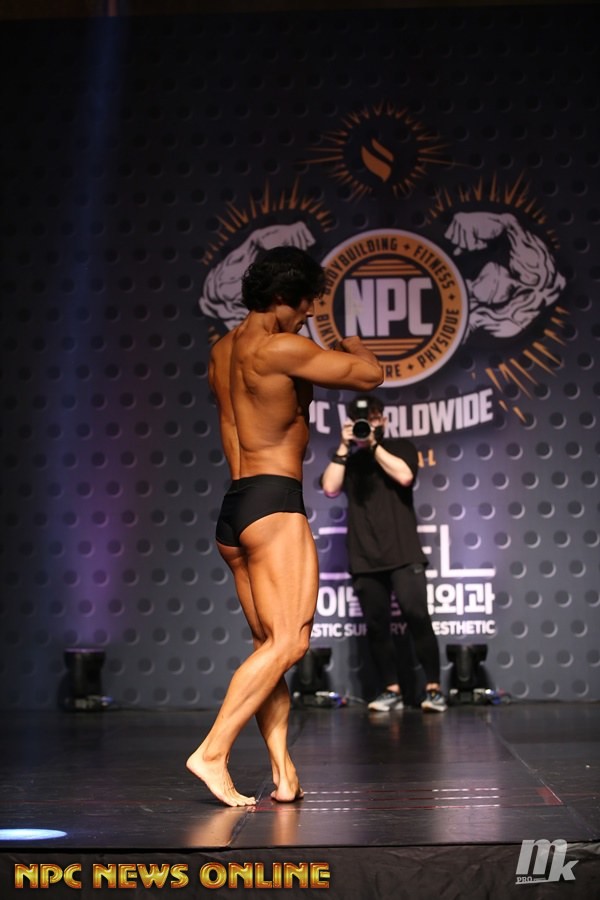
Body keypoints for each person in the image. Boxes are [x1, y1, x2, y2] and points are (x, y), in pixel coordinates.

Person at [186, 246, 383, 806]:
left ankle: (284, 773)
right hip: (274, 503)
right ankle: (212, 751)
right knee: (291, 643)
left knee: (267, 646)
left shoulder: (222, 350)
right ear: (281, 299)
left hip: (236, 508)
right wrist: (351, 344)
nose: (308, 315)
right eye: (304, 306)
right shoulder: (279, 348)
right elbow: (370, 375)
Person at [320, 394, 447, 714]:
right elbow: (330, 488)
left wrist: (373, 444)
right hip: (365, 556)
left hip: (404, 552)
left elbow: (405, 476)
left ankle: (433, 689)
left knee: (417, 616)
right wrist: (344, 447)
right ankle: (391, 689)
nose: (368, 423)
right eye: (361, 419)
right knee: (376, 625)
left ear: (384, 420)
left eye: (374, 417)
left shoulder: (401, 447)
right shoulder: (348, 459)